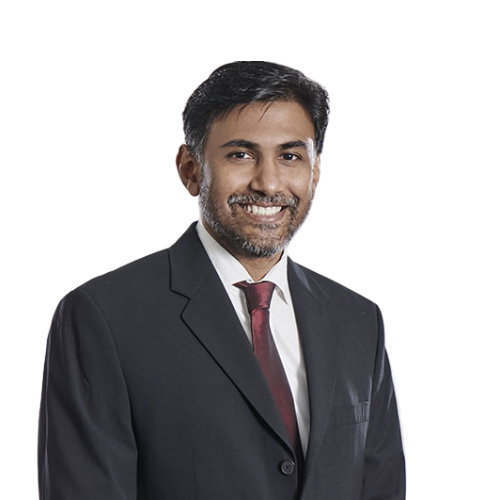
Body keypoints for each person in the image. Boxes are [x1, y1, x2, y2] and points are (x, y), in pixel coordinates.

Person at [38, 61, 406, 499]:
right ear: (190, 169)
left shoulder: (359, 320)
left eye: (290, 156)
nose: (268, 183)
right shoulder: (104, 317)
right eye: (241, 154)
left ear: (316, 171)